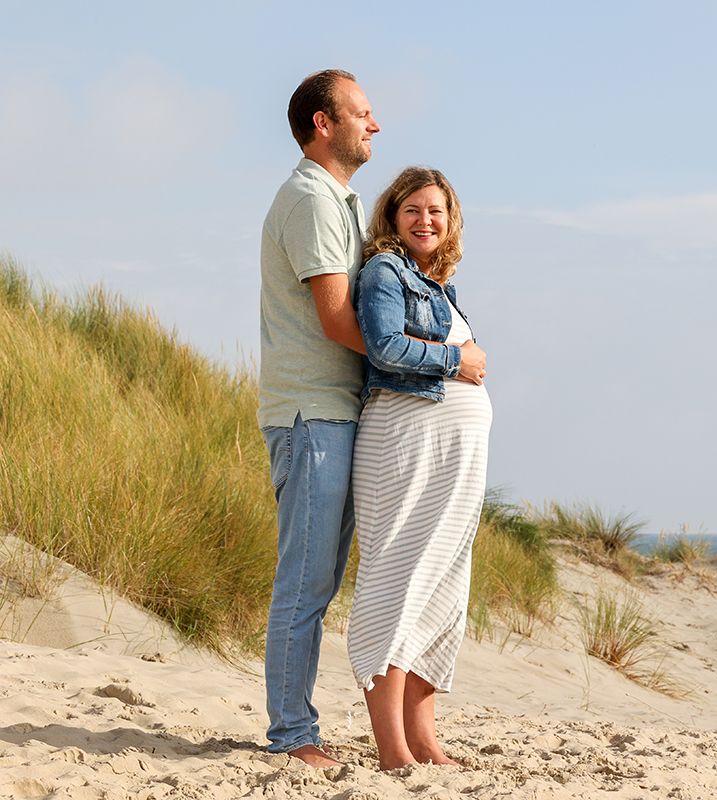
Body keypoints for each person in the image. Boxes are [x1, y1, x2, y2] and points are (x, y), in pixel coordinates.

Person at [346, 167, 490, 768]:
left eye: (436, 211)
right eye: (413, 210)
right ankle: (392, 748)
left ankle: (424, 740)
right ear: (393, 216)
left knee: (440, 590)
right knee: (399, 582)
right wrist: (455, 359)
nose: (425, 220)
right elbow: (382, 346)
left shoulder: (438, 284)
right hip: (403, 449)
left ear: (451, 219)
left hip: (451, 459)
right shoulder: (385, 272)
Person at [257, 68, 380, 767]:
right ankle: (291, 735)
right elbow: (338, 320)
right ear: (323, 124)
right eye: (362, 112)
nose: (375, 124)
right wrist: (426, 364)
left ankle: (298, 726)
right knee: (304, 582)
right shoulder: (309, 197)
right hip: (311, 416)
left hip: (334, 413)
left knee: (318, 583)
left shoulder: (341, 199)